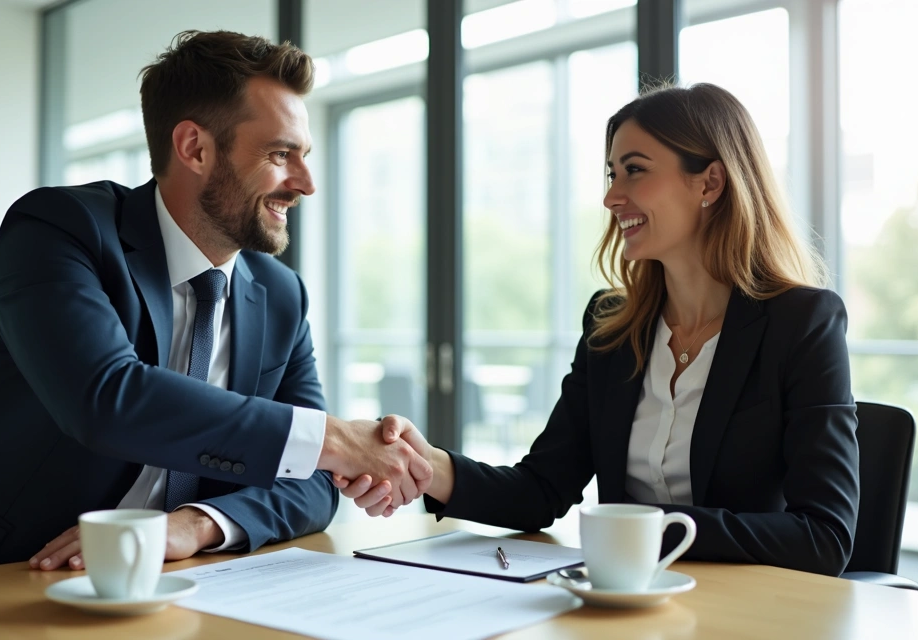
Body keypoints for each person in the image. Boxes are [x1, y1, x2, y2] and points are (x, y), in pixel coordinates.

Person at [0, 30, 431, 580]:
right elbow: (106, 397)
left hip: (169, 586)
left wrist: (197, 525)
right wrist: (332, 439)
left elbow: (308, 481)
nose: (305, 183)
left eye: (303, 156)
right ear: (194, 148)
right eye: (281, 154)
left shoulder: (282, 293)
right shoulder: (58, 231)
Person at [337, 83, 860, 577]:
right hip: (623, 606)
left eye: (634, 171)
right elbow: (541, 490)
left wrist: (649, 529)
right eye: (612, 175)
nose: (613, 198)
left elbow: (824, 537)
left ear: (711, 182)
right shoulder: (611, 325)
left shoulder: (802, 322)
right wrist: (424, 463)